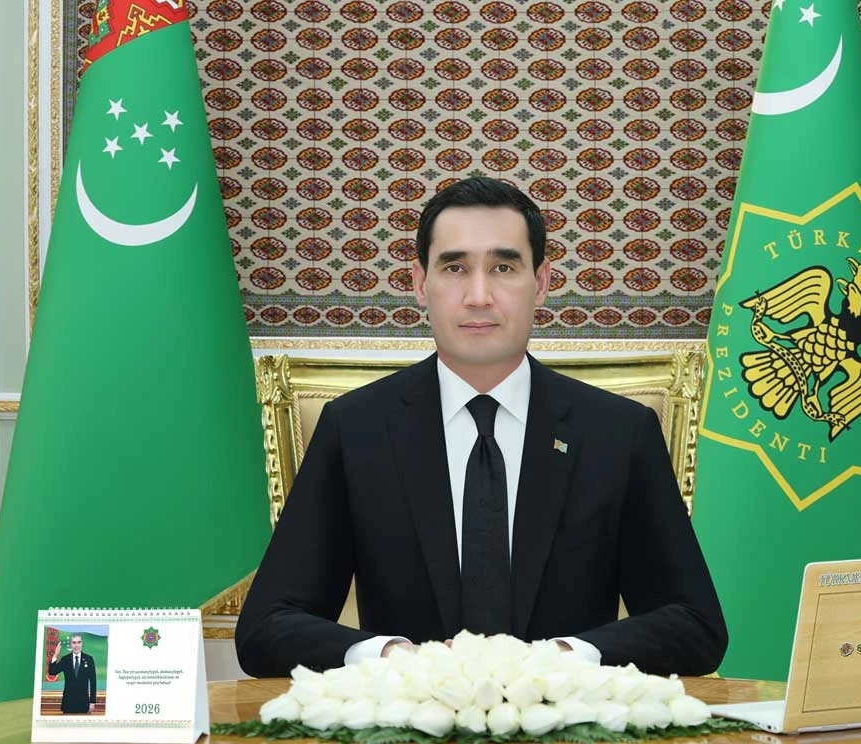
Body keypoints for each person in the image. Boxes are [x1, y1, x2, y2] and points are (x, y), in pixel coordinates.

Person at [236, 177, 727, 677]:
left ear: (541, 282)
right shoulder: (357, 428)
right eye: (454, 268)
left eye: (503, 267)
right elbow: (265, 628)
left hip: (568, 712)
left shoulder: (618, 433)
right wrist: (391, 656)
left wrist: (565, 657)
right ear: (420, 283)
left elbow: (695, 626)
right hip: (409, 712)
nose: (478, 295)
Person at [48, 634, 97, 714]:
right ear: (71, 644)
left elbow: (93, 682)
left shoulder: (89, 659)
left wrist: (92, 702)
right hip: (68, 703)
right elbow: (52, 672)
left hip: (83, 703)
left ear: (82, 643)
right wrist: (55, 655)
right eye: (74, 642)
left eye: (79, 642)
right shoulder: (65, 659)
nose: (76, 645)